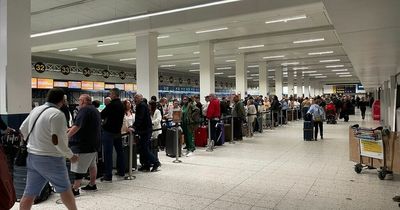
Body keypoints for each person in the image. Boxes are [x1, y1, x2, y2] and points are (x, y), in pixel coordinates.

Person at [19, 88, 79, 210]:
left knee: (29, 192)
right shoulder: (57, 114)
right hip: (51, 159)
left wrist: (36, 142)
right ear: (63, 100)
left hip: (32, 157)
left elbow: (22, 129)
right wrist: (71, 156)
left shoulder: (36, 109)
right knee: (65, 189)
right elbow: (57, 141)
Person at [67, 94, 101, 196]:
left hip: (83, 144)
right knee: (92, 165)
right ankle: (92, 184)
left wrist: (67, 136)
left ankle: (75, 189)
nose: (78, 102)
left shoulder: (84, 110)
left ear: (83, 101)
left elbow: (77, 126)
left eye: (79, 100)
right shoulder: (94, 110)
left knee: (79, 167)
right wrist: (69, 128)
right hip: (94, 143)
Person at [100, 88, 125, 182]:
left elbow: (102, 114)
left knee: (108, 154)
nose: (110, 95)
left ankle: (108, 175)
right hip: (117, 132)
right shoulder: (121, 105)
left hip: (109, 132)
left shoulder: (112, 105)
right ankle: (121, 171)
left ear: (114, 94)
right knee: (120, 152)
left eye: (110, 93)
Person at [133, 94, 161, 172]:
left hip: (145, 131)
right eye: (134, 98)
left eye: (137, 98)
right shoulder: (143, 105)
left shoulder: (141, 106)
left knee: (145, 149)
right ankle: (146, 165)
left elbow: (140, 118)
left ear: (141, 99)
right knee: (143, 148)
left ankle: (156, 162)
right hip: (145, 130)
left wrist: (134, 127)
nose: (135, 99)